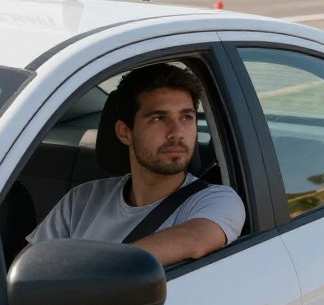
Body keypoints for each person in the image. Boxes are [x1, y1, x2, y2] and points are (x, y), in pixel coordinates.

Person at [27, 63, 245, 266]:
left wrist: (82, 275)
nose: (177, 133)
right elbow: (29, 269)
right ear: (124, 133)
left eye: (186, 117)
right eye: (158, 118)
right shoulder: (81, 201)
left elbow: (195, 239)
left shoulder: (217, 200)